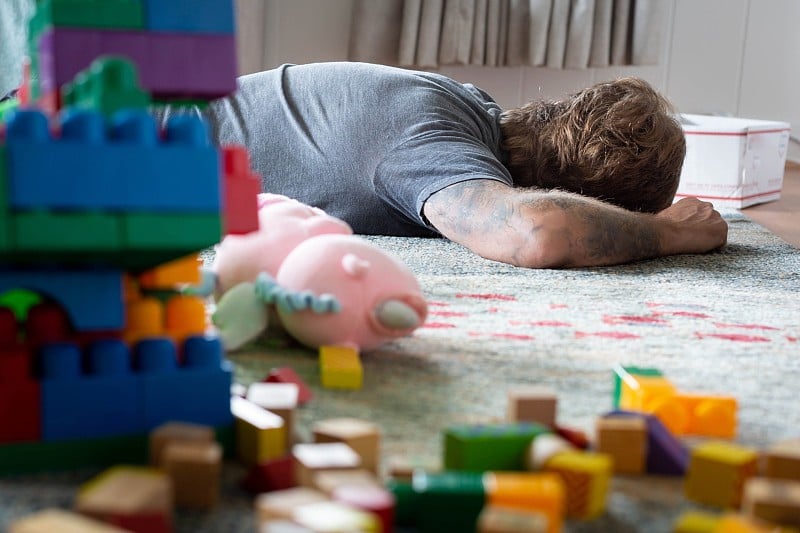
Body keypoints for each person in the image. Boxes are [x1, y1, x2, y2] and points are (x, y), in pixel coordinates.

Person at [175, 61, 728, 268]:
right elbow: (539, 232)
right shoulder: (433, 142)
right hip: (113, 169)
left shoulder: (458, 102)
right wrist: (662, 233)